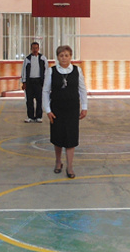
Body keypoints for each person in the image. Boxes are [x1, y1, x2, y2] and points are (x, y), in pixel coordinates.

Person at [43, 45, 88, 179]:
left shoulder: (77, 70)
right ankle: (58, 162)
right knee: (58, 137)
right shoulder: (51, 71)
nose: (64, 58)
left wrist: (84, 106)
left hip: (72, 108)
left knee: (71, 137)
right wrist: (48, 110)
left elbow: (82, 89)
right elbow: (45, 91)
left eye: (67, 55)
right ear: (58, 57)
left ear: (70, 57)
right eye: (61, 55)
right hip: (56, 108)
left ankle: (70, 166)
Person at [22, 42, 47, 123]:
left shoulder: (43, 58)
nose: (35, 50)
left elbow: (46, 70)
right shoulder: (27, 59)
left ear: (38, 49)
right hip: (30, 82)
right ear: (31, 49)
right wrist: (24, 82)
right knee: (29, 100)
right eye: (33, 48)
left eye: (36, 48)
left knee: (39, 99)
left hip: (39, 81)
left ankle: (39, 116)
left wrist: (46, 82)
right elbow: (24, 71)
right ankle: (30, 116)